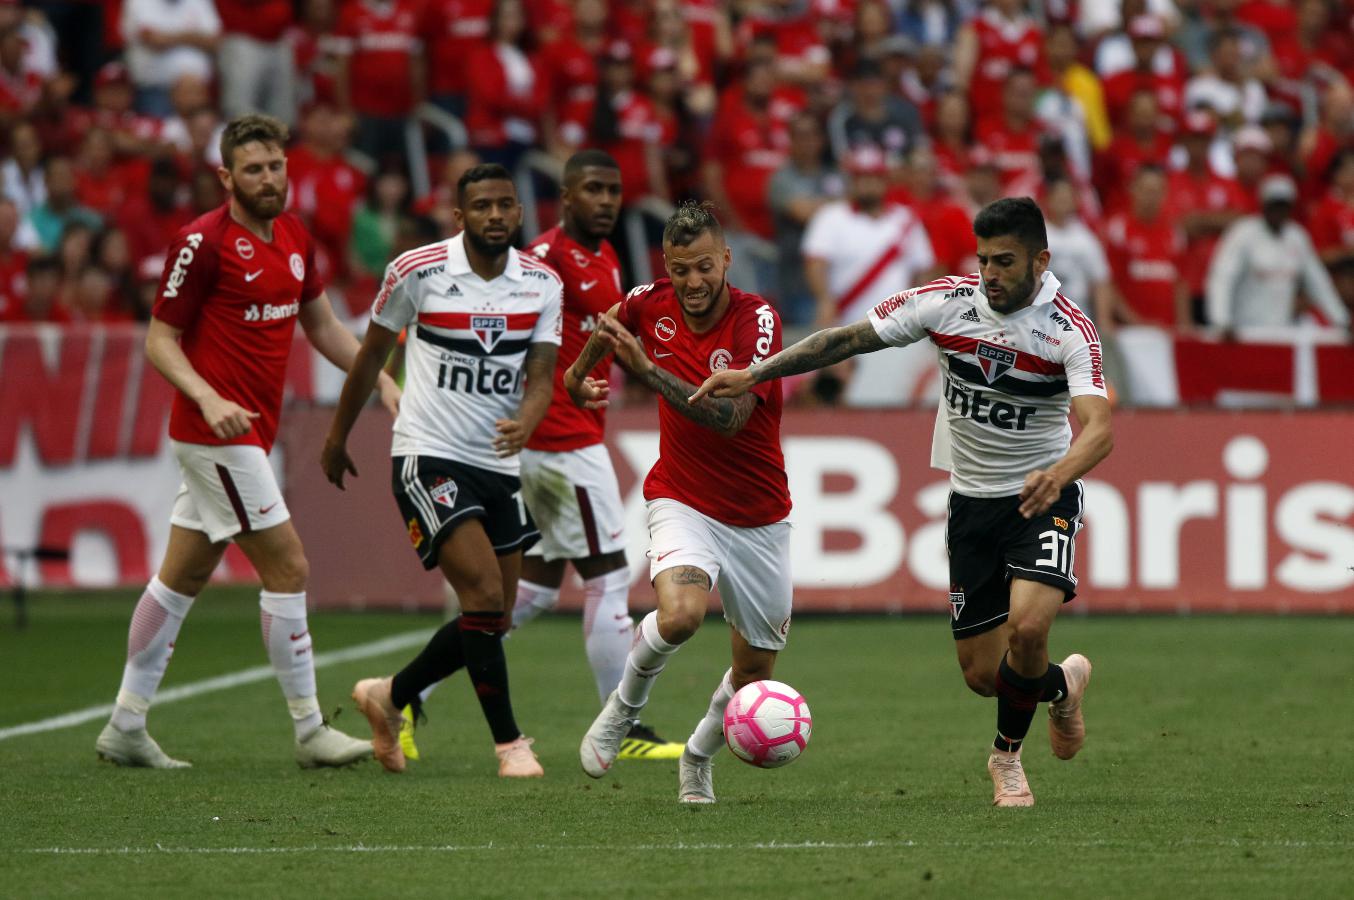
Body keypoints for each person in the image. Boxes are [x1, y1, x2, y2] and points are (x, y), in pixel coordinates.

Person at [694, 197, 1113, 808]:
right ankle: (1062, 686)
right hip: (971, 503)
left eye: (1005, 261)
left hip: (1039, 497)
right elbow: (845, 340)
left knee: (1028, 628)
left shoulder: (1067, 329)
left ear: (1040, 260)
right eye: (984, 260)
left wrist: (1059, 473)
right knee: (981, 675)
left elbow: (1099, 428)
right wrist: (758, 374)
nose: (991, 273)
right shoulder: (946, 302)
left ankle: (1006, 760)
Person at [95, 114, 398, 770]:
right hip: (214, 434)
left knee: (182, 577)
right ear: (226, 176)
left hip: (247, 434)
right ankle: (311, 729)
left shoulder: (293, 235)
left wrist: (383, 382)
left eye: (276, 166)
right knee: (289, 568)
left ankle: (124, 725)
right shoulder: (201, 243)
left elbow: (321, 325)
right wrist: (208, 396)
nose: (268, 179)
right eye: (254, 169)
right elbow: (159, 341)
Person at [397, 150, 683, 763]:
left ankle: (403, 692)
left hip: (569, 435)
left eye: (614, 190)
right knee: (608, 576)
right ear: (565, 198)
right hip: (558, 442)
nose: (606, 201)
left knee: (527, 597)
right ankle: (622, 728)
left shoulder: (604, 256)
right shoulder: (546, 262)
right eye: (593, 190)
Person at [321, 163, 561, 778]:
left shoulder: (541, 283)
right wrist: (337, 434)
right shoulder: (416, 271)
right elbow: (372, 354)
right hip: (427, 454)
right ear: (460, 217)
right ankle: (511, 745)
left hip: (498, 463)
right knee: (481, 595)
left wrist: (530, 420)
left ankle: (389, 696)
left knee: (494, 614)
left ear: (518, 211)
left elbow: (540, 376)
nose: (495, 216)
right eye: (481, 206)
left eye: (505, 204)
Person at [570, 201, 793, 804]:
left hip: (760, 517)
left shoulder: (758, 321)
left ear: (726, 259)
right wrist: (576, 378)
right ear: (665, 266)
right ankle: (622, 709)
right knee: (681, 616)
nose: (692, 283)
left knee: (753, 674)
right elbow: (613, 321)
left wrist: (645, 371)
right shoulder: (651, 301)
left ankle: (696, 758)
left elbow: (732, 417)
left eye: (703, 267)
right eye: (679, 270)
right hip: (683, 496)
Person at [1206, 173, 1350, 335]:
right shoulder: (1243, 233)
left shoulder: (1297, 237)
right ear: (1264, 205)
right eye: (1274, 205)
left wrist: (1341, 320)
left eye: (1283, 206)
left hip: (1282, 332)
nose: (1278, 212)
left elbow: (1318, 283)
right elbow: (1223, 278)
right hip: (1244, 332)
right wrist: (1221, 321)